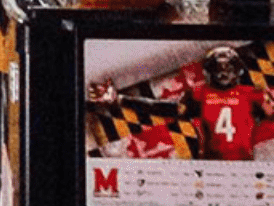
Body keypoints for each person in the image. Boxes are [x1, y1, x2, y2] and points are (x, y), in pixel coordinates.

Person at [89, 45, 274, 161]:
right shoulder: (248, 94)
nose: (223, 74)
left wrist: (119, 99)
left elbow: (163, 108)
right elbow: (164, 109)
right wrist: (120, 99)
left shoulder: (207, 94)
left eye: (227, 68)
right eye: (219, 69)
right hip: (228, 166)